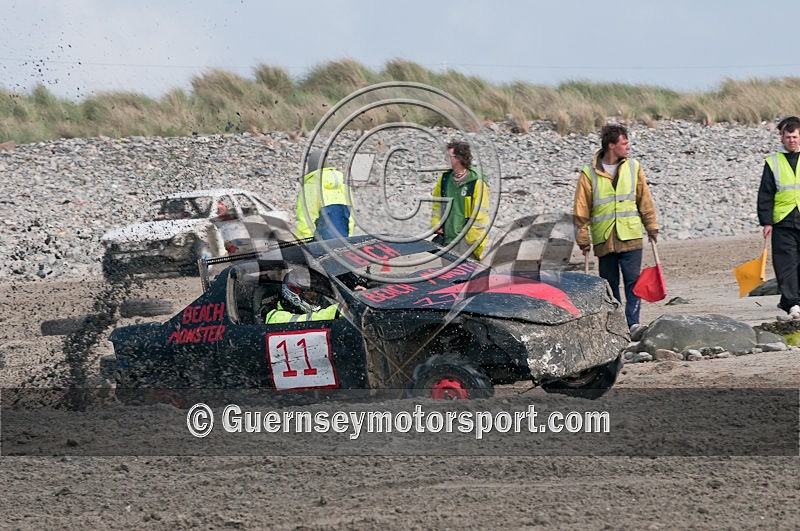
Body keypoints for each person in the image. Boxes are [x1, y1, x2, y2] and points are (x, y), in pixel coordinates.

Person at [573, 123, 660, 329]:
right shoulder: (588, 174)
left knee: (633, 283)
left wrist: (651, 226)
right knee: (609, 287)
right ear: (612, 145)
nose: (628, 147)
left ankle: (633, 323)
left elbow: (644, 199)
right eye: (624, 143)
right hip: (604, 240)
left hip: (630, 236)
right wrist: (583, 239)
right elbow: (581, 210)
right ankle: (616, 325)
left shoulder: (634, 167)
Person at [757, 116, 800, 320]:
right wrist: (766, 221)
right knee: (786, 264)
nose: (791, 140)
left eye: (795, 136)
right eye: (788, 136)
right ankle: (793, 303)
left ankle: (790, 301)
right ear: (781, 138)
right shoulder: (773, 162)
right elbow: (766, 193)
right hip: (782, 221)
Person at [430, 141, 490, 260]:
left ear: (459, 158)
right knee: (447, 276)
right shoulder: (445, 179)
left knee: (467, 277)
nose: (445, 158)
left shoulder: (476, 182)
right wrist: (437, 224)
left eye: (449, 156)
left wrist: (469, 240)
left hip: (467, 243)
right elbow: (437, 204)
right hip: (448, 240)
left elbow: (481, 215)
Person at [296, 150, 354, 240]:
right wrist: (349, 239)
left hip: (320, 245)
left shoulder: (310, 187)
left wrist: (306, 242)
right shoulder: (344, 187)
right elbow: (350, 219)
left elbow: (306, 220)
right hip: (342, 242)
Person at [265, 268, 341, 324]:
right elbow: (310, 322)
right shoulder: (276, 317)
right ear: (294, 294)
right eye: (309, 293)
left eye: (316, 293)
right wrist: (340, 309)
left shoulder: (319, 305)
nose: (314, 294)